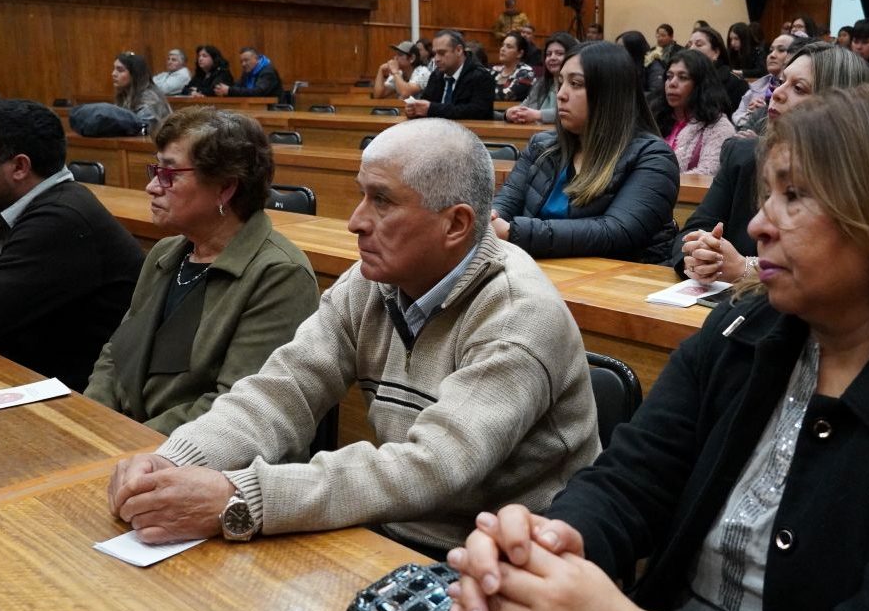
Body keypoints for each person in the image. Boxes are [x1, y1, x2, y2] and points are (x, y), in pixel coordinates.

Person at [447, 83, 869, 611]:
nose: (757, 226)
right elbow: (628, 481)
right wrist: (549, 546)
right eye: (766, 195)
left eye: (795, 196)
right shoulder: (742, 329)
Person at [106, 118, 600, 553]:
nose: (355, 221)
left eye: (381, 201)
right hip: (390, 536)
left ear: (455, 225)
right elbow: (282, 392)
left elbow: (430, 467)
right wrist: (172, 460)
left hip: (501, 559)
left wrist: (242, 498)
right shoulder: (369, 283)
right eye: (362, 193)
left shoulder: (517, 316)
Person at [85, 108, 319, 434]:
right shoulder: (165, 254)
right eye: (155, 170)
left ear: (225, 188)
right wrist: (92, 421)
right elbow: (116, 354)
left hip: (206, 466)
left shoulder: (280, 275)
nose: (152, 187)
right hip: (125, 446)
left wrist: (128, 443)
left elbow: (236, 408)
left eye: (169, 174)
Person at [671, 42, 869, 281]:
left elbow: (844, 270)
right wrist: (700, 253)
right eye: (780, 81)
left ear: (837, 105)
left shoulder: (860, 182)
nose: (776, 93)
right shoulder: (744, 157)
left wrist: (745, 269)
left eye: (798, 88)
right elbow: (691, 232)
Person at [0, 100, 143, 391]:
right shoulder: (11, 208)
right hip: (37, 373)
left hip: (87, 398)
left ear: (20, 167)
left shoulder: (62, 218)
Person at [492, 42, 679, 263]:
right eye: (560, 83)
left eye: (576, 84)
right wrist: (492, 219)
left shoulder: (653, 157)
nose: (561, 94)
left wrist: (513, 232)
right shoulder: (541, 145)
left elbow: (615, 231)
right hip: (538, 272)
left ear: (610, 92)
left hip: (613, 284)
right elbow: (507, 201)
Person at [650, 49, 734, 175]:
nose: (672, 83)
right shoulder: (655, 117)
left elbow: (707, 175)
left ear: (700, 85)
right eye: (669, 76)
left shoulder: (718, 126)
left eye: (682, 77)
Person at [405, 30, 495, 120]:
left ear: (458, 50)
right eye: (435, 53)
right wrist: (414, 110)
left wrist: (432, 109)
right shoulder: (436, 76)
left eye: (442, 53)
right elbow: (425, 105)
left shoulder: (481, 76)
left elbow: (479, 112)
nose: (436, 59)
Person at [504, 32, 578, 124]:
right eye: (548, 54)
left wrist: (538, 115)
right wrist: (510, 114)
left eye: (559, 53)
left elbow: (576, 112)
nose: (552, 58)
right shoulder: (541, 83)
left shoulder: (577, 84)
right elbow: (524, 108)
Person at [731, 33, 795, 129]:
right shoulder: (756, 87)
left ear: (796, 55)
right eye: (770, 50)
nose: (772, 55)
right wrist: (751, 114)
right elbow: (736, 117)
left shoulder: (796, 90)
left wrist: (764, 113)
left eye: (781, 50)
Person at [686, 26, 749, 110]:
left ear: (716, 52)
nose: (691, 49)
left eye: (699, 44)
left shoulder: (736, 84)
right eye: (689, 45)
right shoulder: (685, 80)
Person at [112, 52, 171, 132]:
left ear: (135, 74)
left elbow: (142, 130)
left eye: (120, 70)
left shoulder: (150, 99)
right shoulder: (124, 95)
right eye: (114, 69)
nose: (113, 74)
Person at [215, 47, 284, 99]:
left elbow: (258, 92)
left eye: (246, 60)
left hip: (273, 108)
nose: (243, 64)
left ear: (256, 59)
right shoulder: (247, 72)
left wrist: (230, 90)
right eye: (241, 61)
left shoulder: (268, 72)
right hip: (256, 106)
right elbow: (237, 87)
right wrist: (224, 91)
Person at [616, 30, 664, 95]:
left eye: (621, 48)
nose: (616, 52)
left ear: (634, 50)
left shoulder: (653, 65)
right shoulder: (621, 64)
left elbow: (656, 94)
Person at [491, 31, 535, 101]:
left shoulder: (526, 72)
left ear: (520, 53)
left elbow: (508, 95)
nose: (502, 49)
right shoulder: (495, 70)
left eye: (509, 47)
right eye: (503, 45)